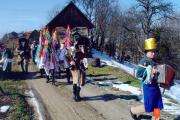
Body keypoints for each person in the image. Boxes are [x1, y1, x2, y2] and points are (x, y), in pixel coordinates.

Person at [130, 38, 163, 120]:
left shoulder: (154, 61)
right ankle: (133, 110)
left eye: (154, 51)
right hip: (147, 86)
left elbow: (158, 74)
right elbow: (138, 74)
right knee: (149, 105)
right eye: (151, 51)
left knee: (158, 105)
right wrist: (151, 71)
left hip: (155, 86)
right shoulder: (143, 61)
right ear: (147, 52)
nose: (153, 53)